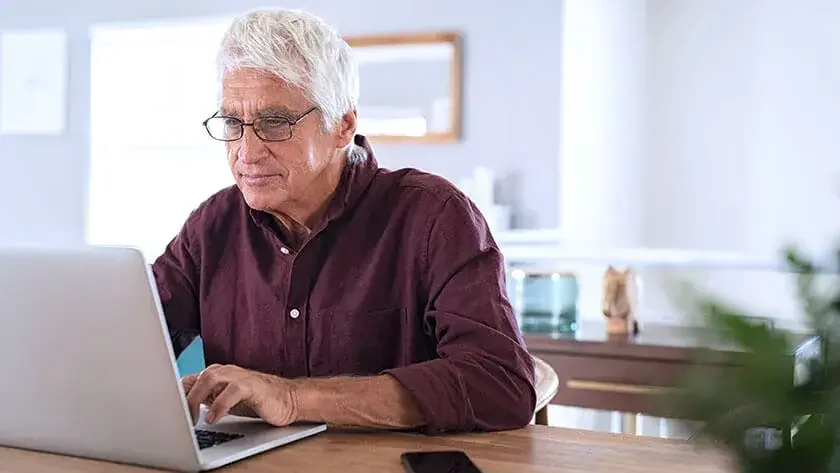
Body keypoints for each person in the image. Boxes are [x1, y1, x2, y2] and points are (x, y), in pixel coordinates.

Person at [152, 7, 536, 434]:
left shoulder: (435, 216)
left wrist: (293, 398)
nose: (246, 152)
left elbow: (500, 384)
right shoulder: (212, 226)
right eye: (232, 122)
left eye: (274, 123)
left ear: (343, 125)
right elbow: (131, 339)